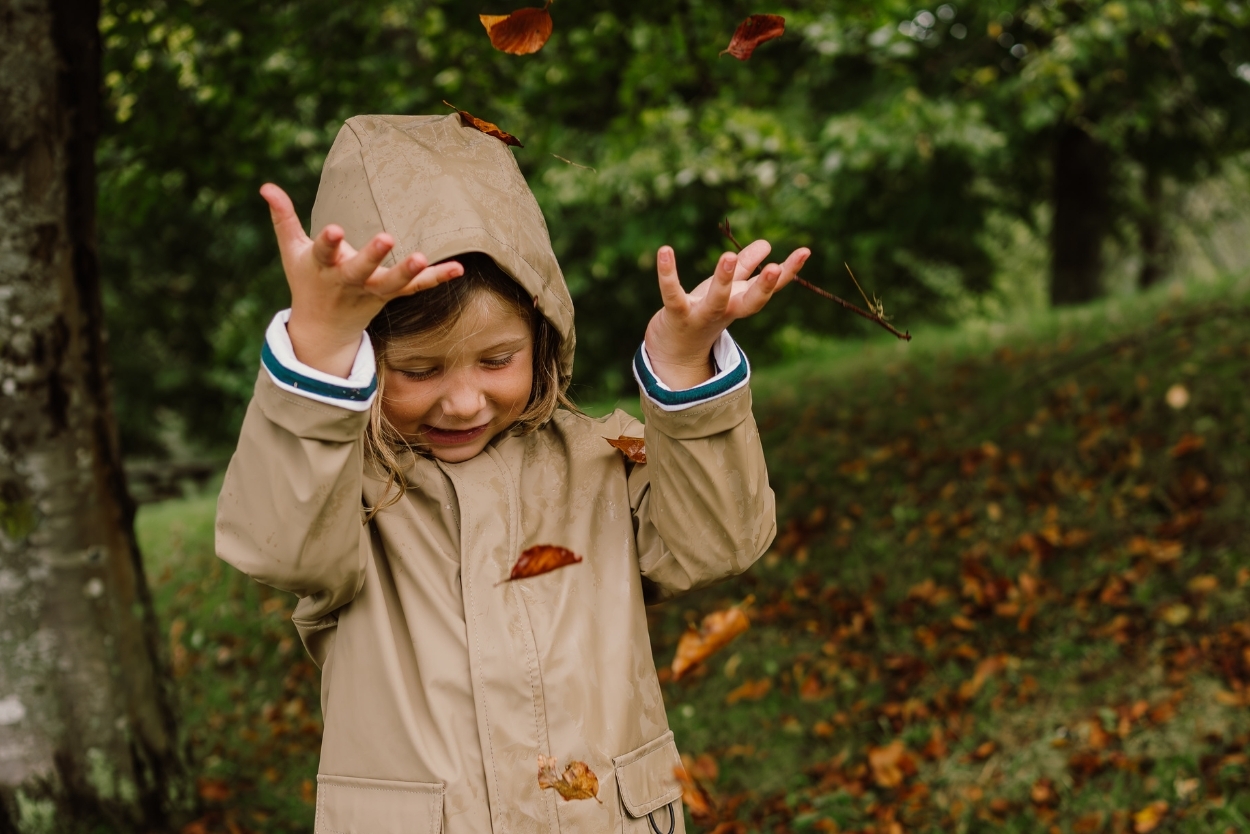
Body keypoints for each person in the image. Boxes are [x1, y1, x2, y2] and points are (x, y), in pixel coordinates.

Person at [215, 113, 810, 834]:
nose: (463, 400)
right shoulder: (346, 491)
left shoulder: (602, 457)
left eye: (496, 361)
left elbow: (719, 542)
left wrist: (684, 366)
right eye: (419, 370)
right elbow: (276, 543)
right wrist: (317, 353)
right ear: (368, 358)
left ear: (544, 335)